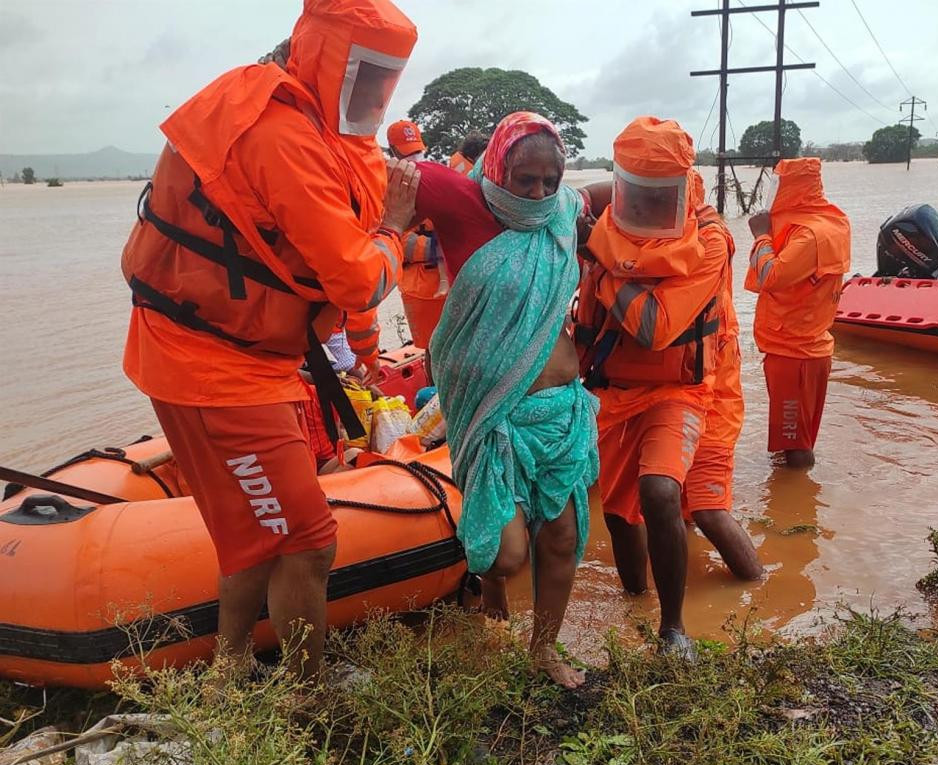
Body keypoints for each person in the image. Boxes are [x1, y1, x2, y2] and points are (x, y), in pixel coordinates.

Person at [120, 0, 419, 681]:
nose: (374, 95)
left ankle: (228, 672)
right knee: (310, 541)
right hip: (217, 368)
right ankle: (306, 701)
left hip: (222, 354)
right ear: (320, 60)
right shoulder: (280, 135)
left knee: (256, 538)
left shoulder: (275, 113)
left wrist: (368, 355)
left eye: (383, 79)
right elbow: (355, 280)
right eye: (364, 76)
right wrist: (396, 228)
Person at [410, 112, 599, 688]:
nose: (540, 192)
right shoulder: (462, 202)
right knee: (507, 555)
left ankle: (543, 650)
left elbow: (623, 187)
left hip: (561, 411)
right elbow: (368, 172)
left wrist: (684, 205)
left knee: (563, 537)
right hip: (494, 416)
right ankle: (491, 592)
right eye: (526, 180)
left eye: (551, 178)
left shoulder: (565, 212)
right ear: (496, 166)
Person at [575, 117, 732, 658]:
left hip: (677, 390)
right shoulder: (603, 212)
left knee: (661, 491)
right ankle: (635, 601)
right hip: (611, 391)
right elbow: (575, 199)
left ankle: (674, 629)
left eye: (657, 195)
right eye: (634, 193)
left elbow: (656, 328)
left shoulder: (708, 241)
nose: (643, 208)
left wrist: (602, 266)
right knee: (619, 518)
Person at [681, 180, 763, 581]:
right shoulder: (668, 238)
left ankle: (755, 587)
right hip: (675, 398)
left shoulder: (706, 243)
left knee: (709, 509)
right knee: (674, 507)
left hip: (712, 401)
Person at [745, 157, 850, 468]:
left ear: (793, 188)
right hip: (806, 346)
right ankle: (792, 494)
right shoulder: (831, 222)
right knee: (794, 440)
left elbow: (772, 276)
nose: (773, 192)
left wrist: (761, 236)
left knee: (796, 447)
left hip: (794, 352)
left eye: (778, 184)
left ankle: (794, 505)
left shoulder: (809, 235)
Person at [386, 119, 448, 348]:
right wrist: (437, 248)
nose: (414, 159)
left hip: (448, 283)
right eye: (408, 154)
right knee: (430, 348)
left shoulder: (436, 177)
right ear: (392, 152)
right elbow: (394, 240)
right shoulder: (385, 186)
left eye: (418, 152)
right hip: (418, 288)